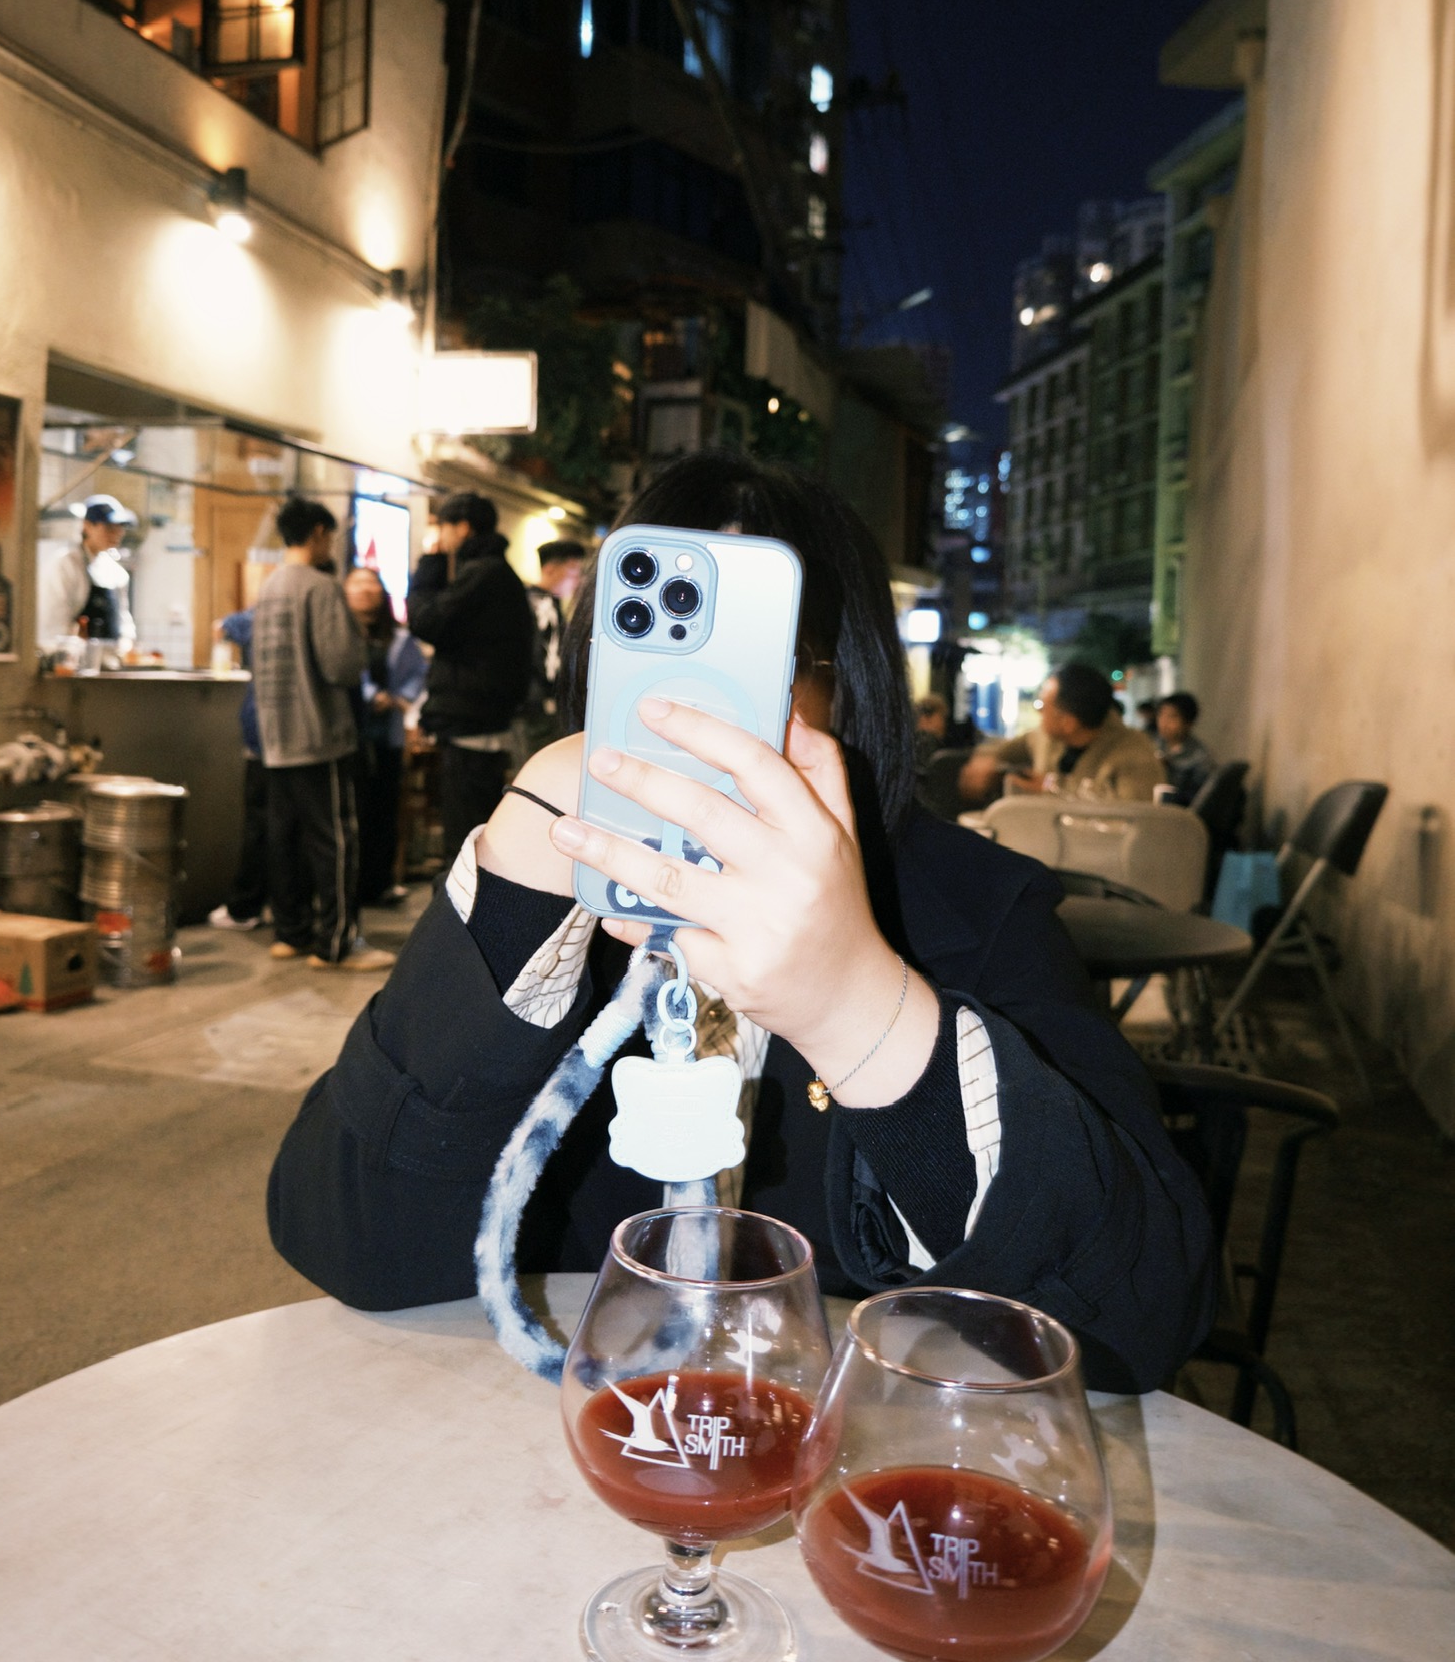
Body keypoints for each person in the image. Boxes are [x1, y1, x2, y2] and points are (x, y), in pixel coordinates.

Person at [268, 454, 1215, 1394]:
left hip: (856, 1446)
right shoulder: (560, 881)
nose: (696, 709)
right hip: (580, 1437)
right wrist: (518, 884)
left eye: (752, 661)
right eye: (654, 655)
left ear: (849, 682)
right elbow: (352, 1244)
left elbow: (1137, 1322)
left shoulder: (981, 906)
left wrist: (861, 1011)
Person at [253, 498, 392, 974]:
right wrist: (359, 645)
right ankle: (337, 944)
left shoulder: (270, 585)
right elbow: (342, 666)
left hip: (276, 736)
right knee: (336, 841)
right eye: (329, 535)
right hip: (318, 735)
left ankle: (290, 934)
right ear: (316, 532)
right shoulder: (320, 586)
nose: (330, 544)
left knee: (284, 839)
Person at [406, 491, 534, 870]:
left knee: (464, 843)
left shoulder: (483, 574)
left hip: (472, 725)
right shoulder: (496, 573)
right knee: (474, 836)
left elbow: (427, 621)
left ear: (462, 528)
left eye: (443, 527)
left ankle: (463, 905)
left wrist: (429, 564)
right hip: (481, 720)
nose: (441, 537)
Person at [959, 662, 1167, 806]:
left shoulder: (1135, 753)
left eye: (1043, 706)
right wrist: (987, 759)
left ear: (1068, 723)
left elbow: (1135, 813)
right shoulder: (1046, 737)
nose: (1039, 712)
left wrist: (1054, 786)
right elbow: (1010, 748)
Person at [344, 566, 428, 906]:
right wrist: (370, 695)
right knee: (354, 811)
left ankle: (380, 883)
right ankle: (350, 885)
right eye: (358, 584)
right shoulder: (341, 631)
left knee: (385, 808)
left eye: (372, 585)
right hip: (351, 736)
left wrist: (399, 698)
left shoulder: (400, 637)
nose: (366, 590)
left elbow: (419, 672)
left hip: (388, 735)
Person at [207, 605, 268, 932]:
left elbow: (222, 627)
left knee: (259, 824)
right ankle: (280, 907)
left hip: (262, 735)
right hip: (297, 739)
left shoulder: (261, 615)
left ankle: (245, 906)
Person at [39, 494, 137, 655]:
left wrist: (125, 644)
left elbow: (124, 621)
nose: (117, 533)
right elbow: (54, 623)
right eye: (109, 527)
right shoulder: (66, 564)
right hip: (73, 659)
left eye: (120, 527)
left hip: (111, 660)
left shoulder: (116, 572)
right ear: (87, 526)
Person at [519, 537, 588, 761]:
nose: (577, 580)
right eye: (572, 571)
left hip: (535, 703)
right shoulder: (542, 605)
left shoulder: (541, 602)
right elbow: (547, 660)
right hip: (539, 705)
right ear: (550, 569)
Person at [1156, 691, 1216, 806]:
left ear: (1188, 723)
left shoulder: (1200, 757)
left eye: (1172, 716)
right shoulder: (1154, 744)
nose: (1164, 722)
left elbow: (1197, 798)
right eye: (1161, 715)